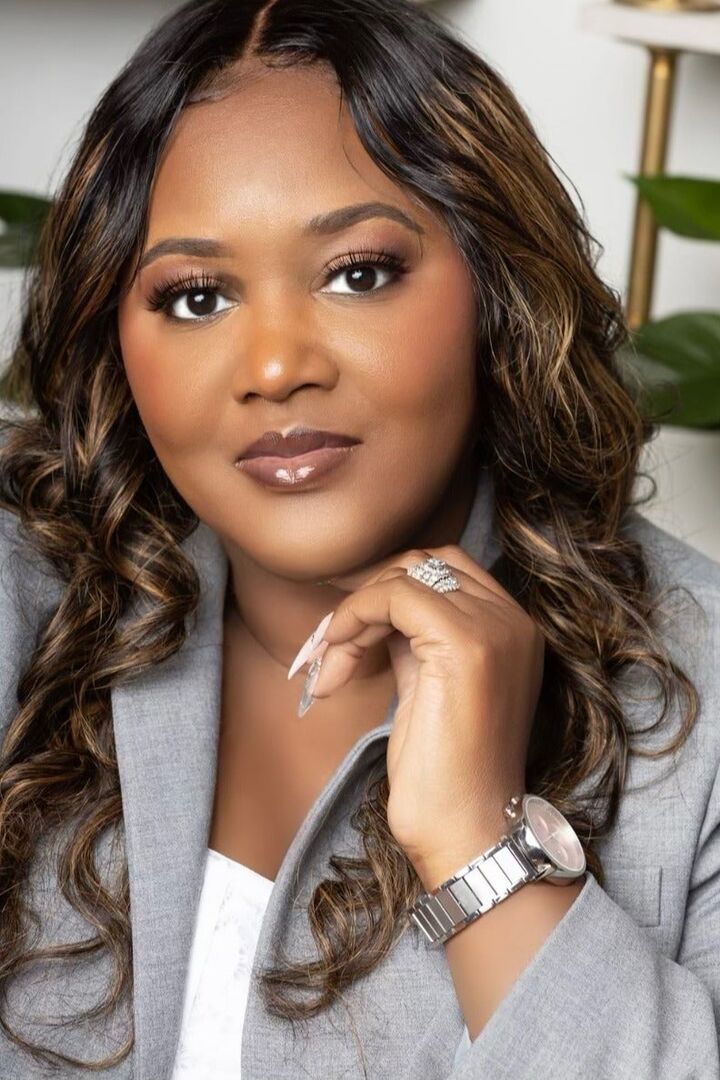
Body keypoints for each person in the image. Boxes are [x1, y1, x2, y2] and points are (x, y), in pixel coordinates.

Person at [0, 0, 718, 1076]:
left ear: (498, 287)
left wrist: (480, 841)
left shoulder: (703, 709)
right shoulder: (25, 586)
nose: (276, 366)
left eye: (358, 273)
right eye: (195, 297)